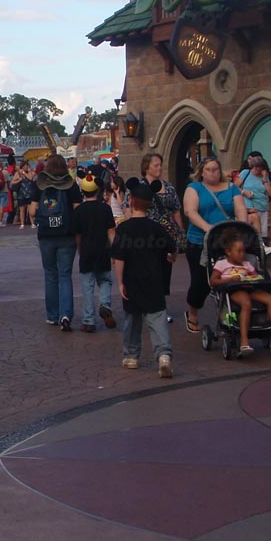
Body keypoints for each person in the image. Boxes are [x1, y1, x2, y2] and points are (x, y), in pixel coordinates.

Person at [111, 179, 175, 377]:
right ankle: (163, 355)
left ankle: (131, 356)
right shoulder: (156, 228)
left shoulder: (124, 229)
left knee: (132, 319)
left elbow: (119, 258)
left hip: (132, 280)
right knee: (157, 319)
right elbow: (172, 250)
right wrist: (169, 257)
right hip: (154, 280)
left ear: (130, 201)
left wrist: (120, 282)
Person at [182, 156, 248, 333]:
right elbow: (190, 211)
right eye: (208, 170)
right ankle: (193, 311)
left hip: (227, 242)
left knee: (232, 275)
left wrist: (243, 226)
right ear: (201, 173)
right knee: (201, 281)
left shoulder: (231, 188)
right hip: (200, 242)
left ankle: (229, 310)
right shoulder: (194, 188)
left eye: (216, 169)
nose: (213, 173)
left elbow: (240, 208)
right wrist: (208, 228)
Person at [211, 230, 271, 354]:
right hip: (234, 290)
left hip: (250, 288)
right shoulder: (222, 264)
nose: (242, 254)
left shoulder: (247, 264)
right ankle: (244, 342)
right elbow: (213, 281)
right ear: (228, 251)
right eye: (238, 251)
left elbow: (256, 276)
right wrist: (230, 279)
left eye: (243, 251)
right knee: (246, 303)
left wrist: (254, 277)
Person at [125, 153, 186, 320]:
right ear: (147, 167)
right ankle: (145, 305)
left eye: (160, 165)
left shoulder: (169, 187)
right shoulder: (137, 187)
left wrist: (180, 232)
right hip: (144, 235)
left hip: (164, 235)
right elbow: (128, 208)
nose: (159, 168)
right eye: (155, 165)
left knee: (163, 271)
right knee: (146, 270)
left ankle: (159, 307)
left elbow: (176, 210)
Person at [35, 153, 82, 331]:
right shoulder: (70, 185)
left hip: (46, 234)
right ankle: (66, 314)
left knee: (50, 274)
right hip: (66, 234)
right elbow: (77, 211)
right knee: (65, 275)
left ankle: (52, 315)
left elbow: (32, 211)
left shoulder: (40, 184)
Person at [73, 174, 117, 333]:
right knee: (105, 280)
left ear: (83, 191)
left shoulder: (79, 211)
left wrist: (79, 249)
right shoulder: (105, 208)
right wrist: (115, 251)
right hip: (103, 251)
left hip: (86, 252)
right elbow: (111, 231)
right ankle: (105, 305)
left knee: (87, 287)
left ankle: (88, 320)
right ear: (97, 190)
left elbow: (77, 235)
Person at [236, 157, 271, 256]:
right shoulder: (245, 173)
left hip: (263, 207)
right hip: (250, 206)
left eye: (260, 167)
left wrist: (264, 179)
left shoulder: (264, 176)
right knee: (251, 231)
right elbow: (234, 186)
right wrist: (244, 192)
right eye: (256, 168)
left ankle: (262, 255)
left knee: (263, 233)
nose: (258, 170)